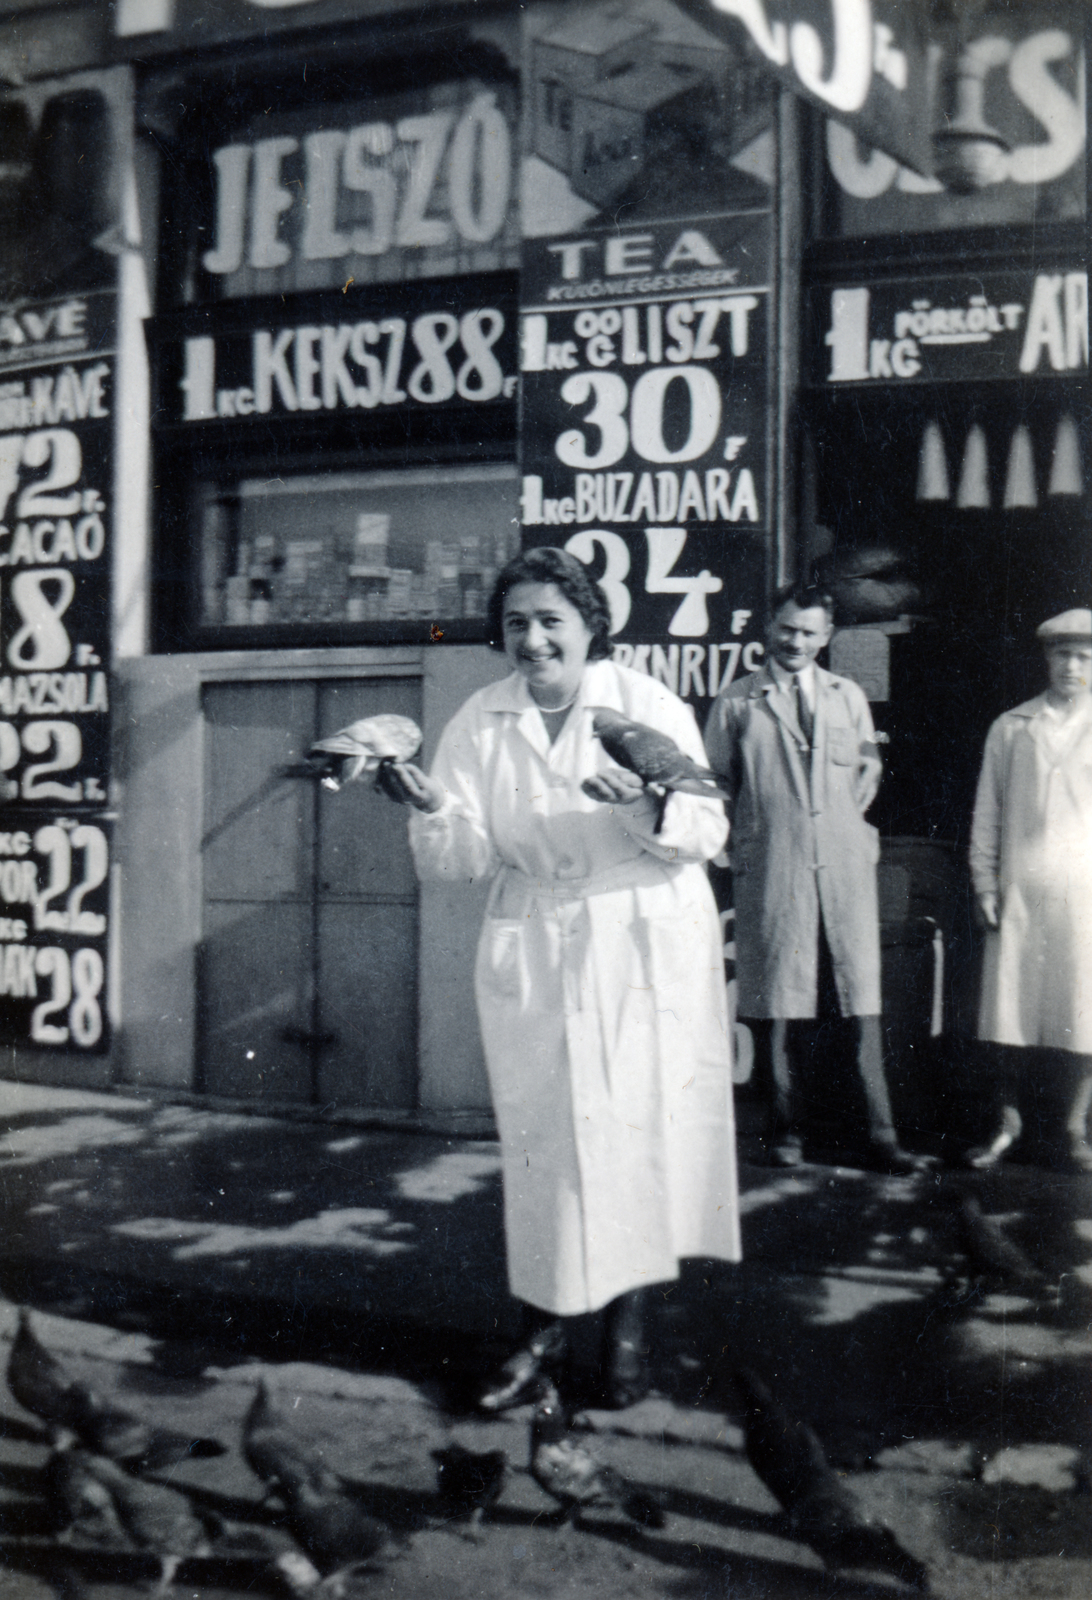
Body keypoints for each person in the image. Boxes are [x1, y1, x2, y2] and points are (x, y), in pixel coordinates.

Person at [380, 547, 741, 1408]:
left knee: (632, 1132)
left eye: (551, 622)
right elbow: (461, 858)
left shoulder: (644, 703)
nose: (534, 641)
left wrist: (641, 804)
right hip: (536, 936)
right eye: (517, 624)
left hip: (639, 934)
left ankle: (628, 1322)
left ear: (588, 627)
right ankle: (541, 1328)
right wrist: (432, 806)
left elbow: (705, 828)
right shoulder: (481, 717)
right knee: (546, 1143)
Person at [705, 583, 929, 1175]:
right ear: (768, 628)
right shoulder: (736, 703)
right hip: (775, 867)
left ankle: (880, 1137)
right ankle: (785, 1134)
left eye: (808, 632)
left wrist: (871, 769)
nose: (795, 641)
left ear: (826, 637)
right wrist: (735, 843)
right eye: (786, 629)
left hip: (844, 869)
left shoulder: (847, 696)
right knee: (781, 1007)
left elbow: (863, 757)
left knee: (859, 1006)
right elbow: (714, 787)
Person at [966, 609, 1092, 1174]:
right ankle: (1006, 1125)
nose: (1072, 666)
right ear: (1046, 659)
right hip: (1021, 893)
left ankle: (1074, 1128)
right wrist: (984, 882)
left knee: (1083, 1012)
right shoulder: (1012, 726)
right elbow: (987, 811)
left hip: (1084, 894)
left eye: (1085, 657)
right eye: (1063, 655)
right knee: (1009, 1014)